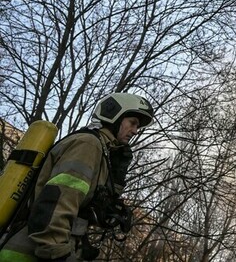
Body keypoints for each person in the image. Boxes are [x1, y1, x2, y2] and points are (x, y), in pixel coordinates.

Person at [0, 92, 155, 262]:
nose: (135, 131)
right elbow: (57, 202)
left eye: (137, 126)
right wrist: (57, 253)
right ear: (114, 115)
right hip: (28, 253)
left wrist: (81, 244)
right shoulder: (88, 145)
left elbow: (84, 207)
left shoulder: (103, 151)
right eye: (132, 123)